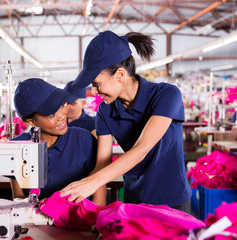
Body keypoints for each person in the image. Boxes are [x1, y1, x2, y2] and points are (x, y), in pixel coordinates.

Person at [60, 31, 191, 213]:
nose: (95, 92)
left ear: (120, 75)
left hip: (172, 199)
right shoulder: (105, 111)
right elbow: (102, 164)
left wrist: (92, 182)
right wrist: (96, 213)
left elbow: (142, 148)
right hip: (134, 200)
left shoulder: (166, 95)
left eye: (97, 84)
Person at [10, 78, 105, 205]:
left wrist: (94, 221)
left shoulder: (83, 140)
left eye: (61, 105)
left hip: (81, 221)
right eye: (51, 115)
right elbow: (18, 197)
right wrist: (30, 206)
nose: (61, 116)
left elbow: (99, 198)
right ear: (31, 122)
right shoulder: (17, 147)